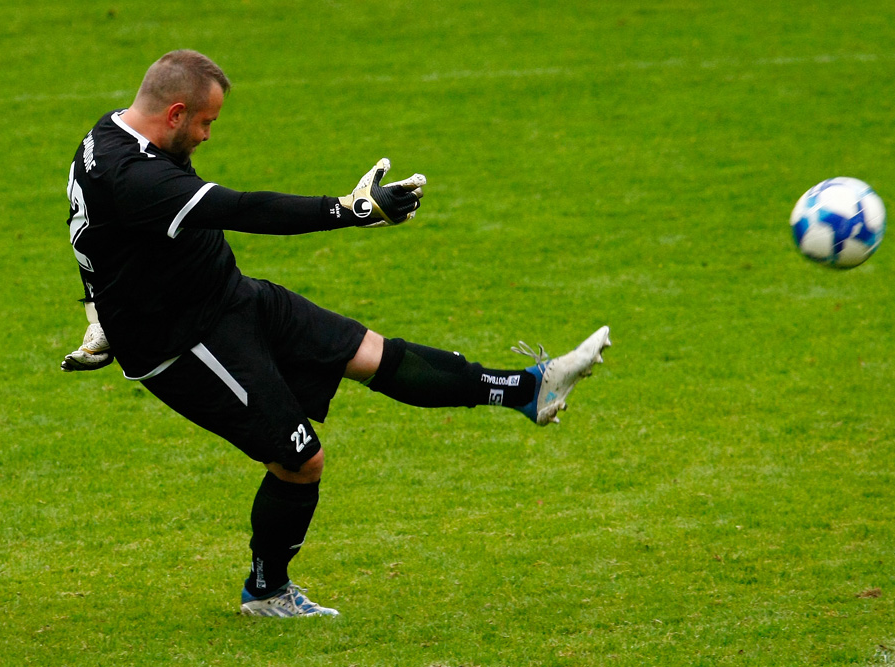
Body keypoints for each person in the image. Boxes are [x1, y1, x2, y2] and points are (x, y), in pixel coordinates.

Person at [62, 49, 611, 618]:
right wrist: (350, 210)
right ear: (175, 113)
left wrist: (97, 310)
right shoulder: (134, 177)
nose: (207, 135)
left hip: (231, 296)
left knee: (371, 353)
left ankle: (529, 390)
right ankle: (267, 591)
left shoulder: (110, 133)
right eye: (206, 122)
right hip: (184, 343)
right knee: (300, 461)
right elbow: (247, 210)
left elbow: (92, 236)